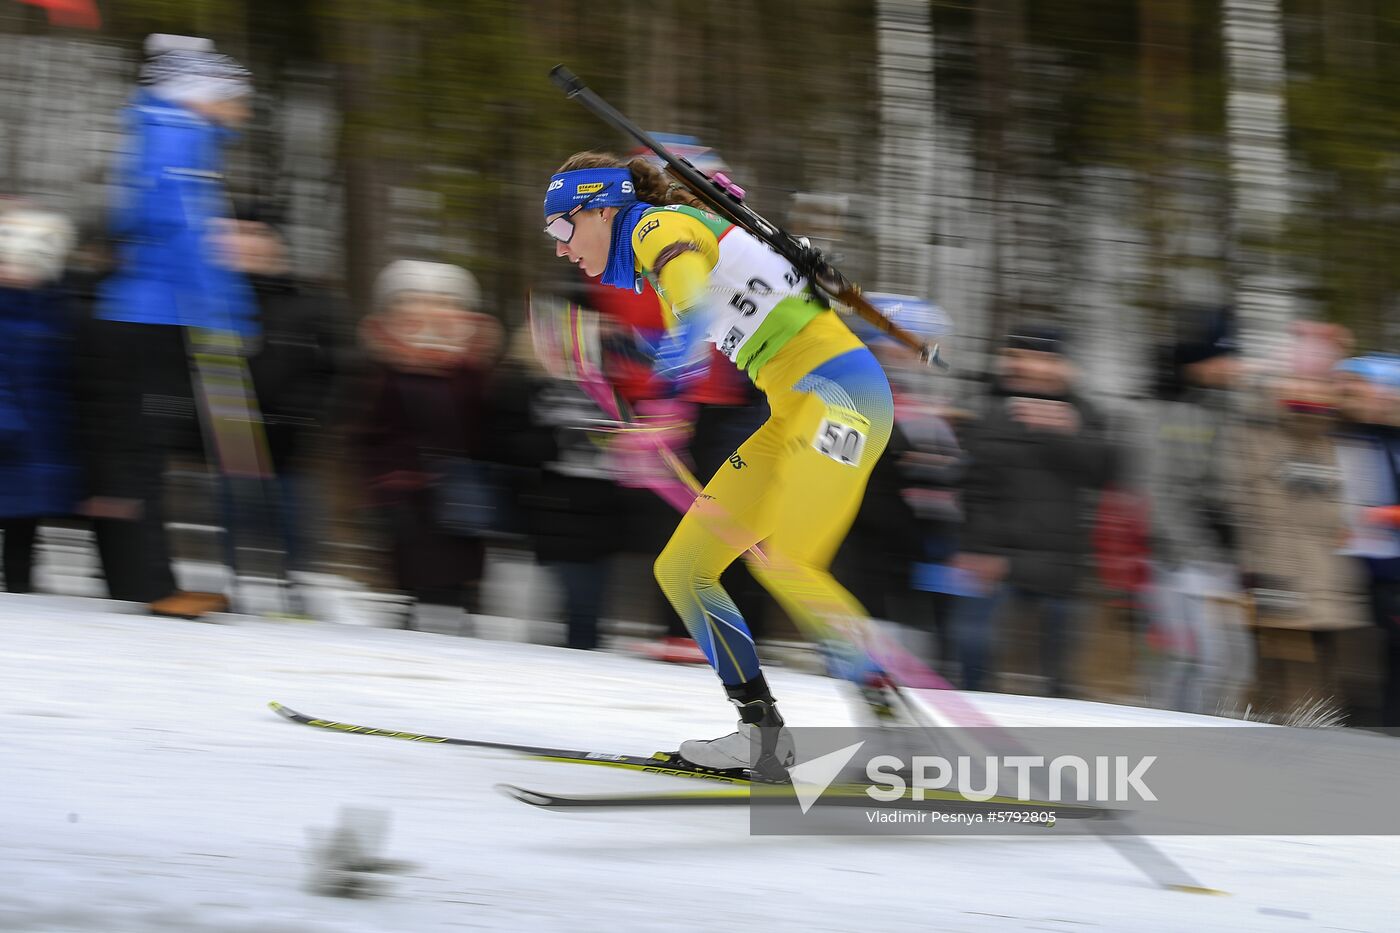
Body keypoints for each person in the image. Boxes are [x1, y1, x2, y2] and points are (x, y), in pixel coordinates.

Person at [543, 153, 895, 778]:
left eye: (562, 228)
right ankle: (760, 737)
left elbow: (695, 316)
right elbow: (708, 317)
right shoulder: (672, 235)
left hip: (845, 401)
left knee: (787, 560)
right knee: (684, 568)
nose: (561, 247)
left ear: (601, 209)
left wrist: (666, 414)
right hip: (793, 411)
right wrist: (611, 350)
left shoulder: (657, 230)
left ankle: (891, 726)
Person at [85, 34, 256, 619]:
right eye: (235, 95)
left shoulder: (170, 131)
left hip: (150, 314)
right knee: (143, 447)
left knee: (141, 446)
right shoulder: (177, 135)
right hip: (152, 318)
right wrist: (222, 314)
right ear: (201, 93)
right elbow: (181, 233)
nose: (243, 108)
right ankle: (147, 583)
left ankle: (140, 578)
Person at [949, 325, 1117, 697]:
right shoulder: (990, 408)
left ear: (1059, 365)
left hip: (1059, 560)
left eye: (1041, 359)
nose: (1029, 367)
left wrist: (1066, 433)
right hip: (996, 556)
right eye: (1020, 357)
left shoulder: (1083, 414)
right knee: (974, 652)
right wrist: (979, 550)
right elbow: (973, 485)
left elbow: (1107, 472)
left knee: (1059, 671)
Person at [353, 260, 502, 632]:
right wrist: (386, 476)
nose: (430, 312)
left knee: (458, 567)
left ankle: (459, 624)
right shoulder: (385, 369)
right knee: (411, 568)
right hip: (404, 487)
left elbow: (490, 431)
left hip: (459, 490)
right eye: (416, 300)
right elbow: (368, 430)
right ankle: (410, 624)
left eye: (443, 301)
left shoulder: (474, 372)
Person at [0, 208, 79, 593]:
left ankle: (19, 584)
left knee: (22, 524)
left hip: (35, 443)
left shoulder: (57, 311)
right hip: (12, 436)